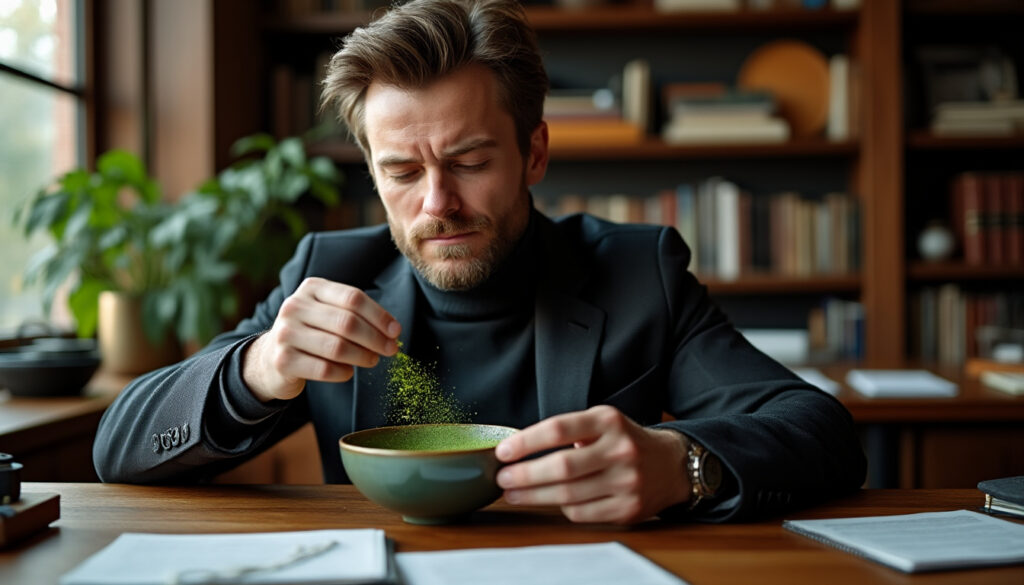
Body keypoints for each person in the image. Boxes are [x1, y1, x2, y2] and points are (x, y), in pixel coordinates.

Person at [93, 0, 865, 524]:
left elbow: (822, 432)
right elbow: (117, 449)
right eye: (402, 172)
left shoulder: (638, 273)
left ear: (534, 152)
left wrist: (681, 462)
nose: (437, 204)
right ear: (373, 175)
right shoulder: (327, 272)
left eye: (467, 160)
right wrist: (256, 368)